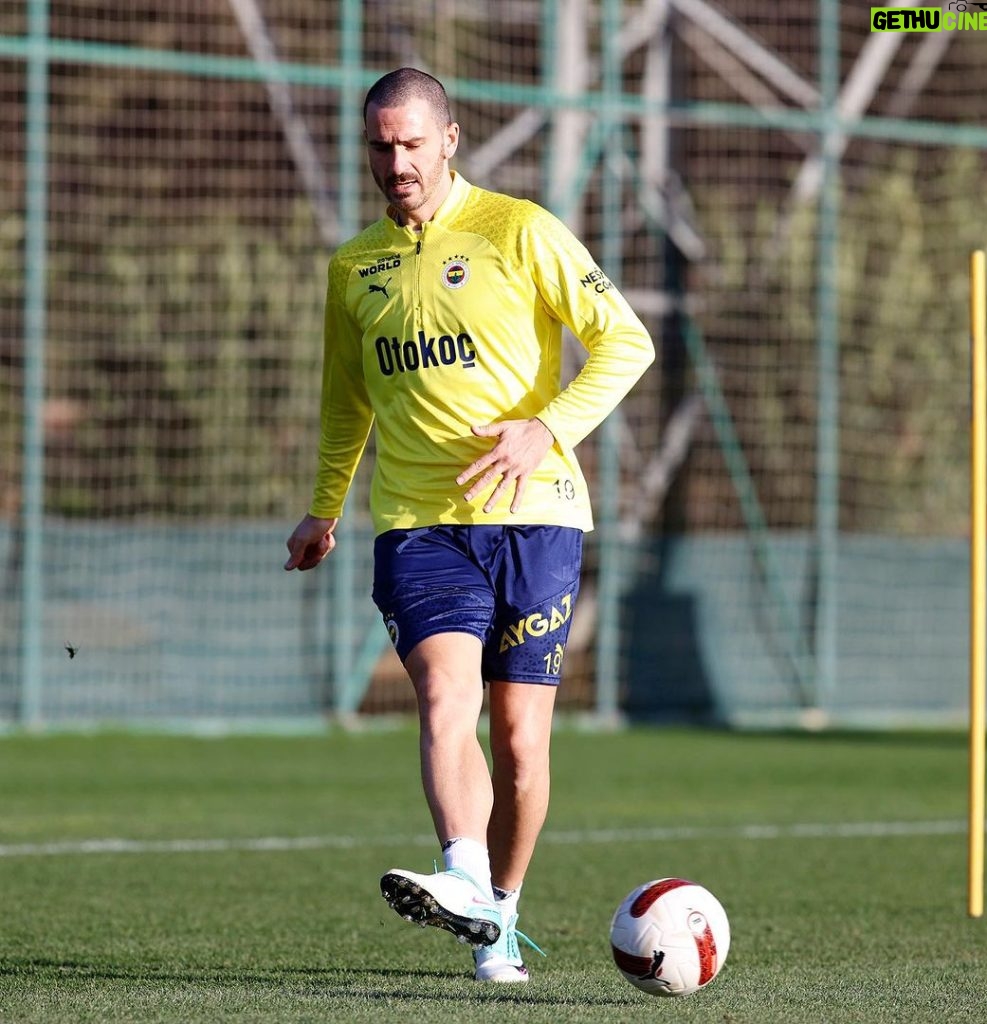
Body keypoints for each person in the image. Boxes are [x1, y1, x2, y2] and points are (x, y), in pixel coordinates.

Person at [285, 67, 654, 983]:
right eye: (380, 145)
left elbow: (627, 341)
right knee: (445, 702)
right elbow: (347, 403)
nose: (396, 161)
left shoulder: (518, 230)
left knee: (521, 742)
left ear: (450, 139)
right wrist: (327, 504)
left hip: (535, 518)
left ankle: (500, 914)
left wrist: (547, 429)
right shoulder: (352, 267)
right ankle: (461, 877)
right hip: (417, 524)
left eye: (412, 143)